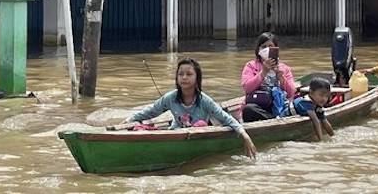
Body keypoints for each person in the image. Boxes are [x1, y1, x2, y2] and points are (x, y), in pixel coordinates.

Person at [126, 57, 257, 158]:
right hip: (175, 133)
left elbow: (226, 118)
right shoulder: (171, 97)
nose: (184, 77)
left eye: (189, 74)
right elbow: (151, 111)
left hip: (198, 135)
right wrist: (129, 120)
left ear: (197, 78)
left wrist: (244, 135)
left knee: (200, 124)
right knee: (139, 128)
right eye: (180, 74)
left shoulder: (204, 100)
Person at [241, 32, 297, 122]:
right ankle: (274, 120)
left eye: (270, 46)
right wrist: (263, 72)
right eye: (264, 47)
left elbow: (291, 92)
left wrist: (281, 78)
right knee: (248, 109)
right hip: (259, 105)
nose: (267, 49)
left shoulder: (284, 68)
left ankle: (276, 120)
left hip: (279, 106)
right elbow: (247, 88)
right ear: (258, 49)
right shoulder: (251, 66)